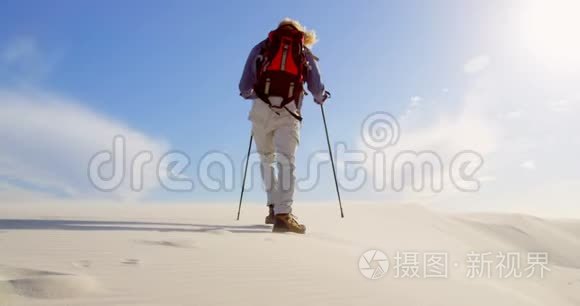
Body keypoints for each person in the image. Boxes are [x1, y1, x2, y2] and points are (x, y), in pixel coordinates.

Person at [239, 18, 329, 234]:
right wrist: (320, 98)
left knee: (266, 159)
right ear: (300, 34)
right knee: (286, 161)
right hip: (288, 111)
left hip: (261, 109)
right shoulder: (303, 51)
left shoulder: (262, 47)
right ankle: (283, 215)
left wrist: (255, 96)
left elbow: (244, 86)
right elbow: (316, 87)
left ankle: (272, 208)